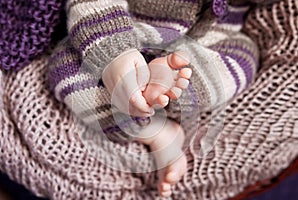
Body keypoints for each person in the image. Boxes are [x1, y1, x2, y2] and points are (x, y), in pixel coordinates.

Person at [48, 0, 260, 197]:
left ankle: (165, 91)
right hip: (128, 32)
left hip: (212, 42)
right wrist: (113, 52)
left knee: (241, 61)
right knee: (65, 67)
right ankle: (150, 128)